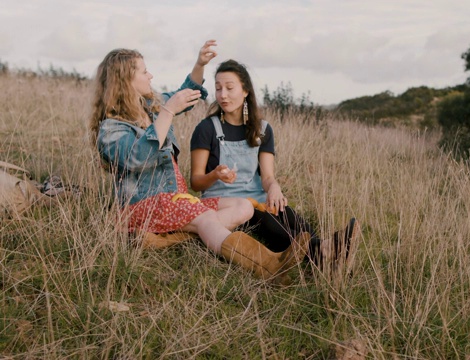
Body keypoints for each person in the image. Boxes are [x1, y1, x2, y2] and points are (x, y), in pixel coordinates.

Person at [89, 41, 308, 282]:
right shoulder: (112, 129)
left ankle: (165, 239)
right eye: (143, 71)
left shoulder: (150, 107)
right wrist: (168, 112)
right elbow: (138, 158)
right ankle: (268, 265)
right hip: (143, 206)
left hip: (173, 200)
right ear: (125, 80)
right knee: (205, 219)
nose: (150, 75)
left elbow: (188, 93)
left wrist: (200, 64)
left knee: (243, 207)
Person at [189, 59, 359, 269]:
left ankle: (325, 258)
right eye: (218, 88)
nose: (223, 95)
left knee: (289, 215)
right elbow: (196, 183)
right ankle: (322, 251)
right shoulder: (206, 129)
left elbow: (267, 177)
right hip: (227, 203)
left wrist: (275, 188)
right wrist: (214, 174)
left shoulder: (262, 129)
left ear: (245, 91)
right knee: (265, 219)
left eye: (229, 88)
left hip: (257, 197)